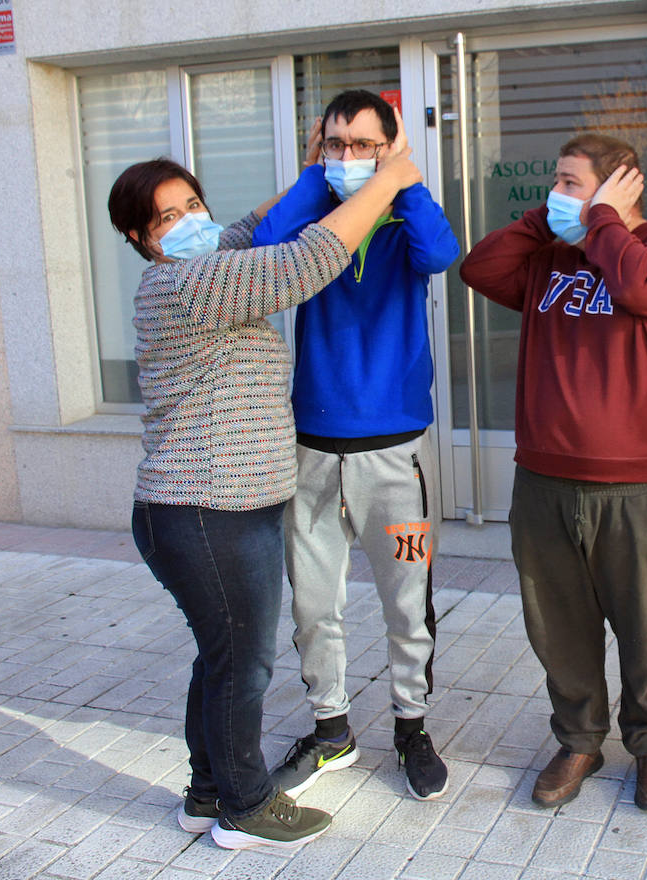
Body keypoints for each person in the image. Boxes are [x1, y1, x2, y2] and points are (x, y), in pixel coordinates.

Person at [112, 144, 423, 849]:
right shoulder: (191, 286)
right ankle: (247, 806)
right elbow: (307, 260)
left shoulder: (196, 266)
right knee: (243, 665)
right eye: (166, 218)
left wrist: (317, 173)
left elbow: (245, 231)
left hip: (201, 512)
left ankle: (205, 793)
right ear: (139, 238)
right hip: (207, 515)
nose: (189, 220)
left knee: (218, 657)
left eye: (192, 203)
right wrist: (390, 180)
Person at [458, 134, 647, 812]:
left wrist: (602, 221)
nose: (557, 194)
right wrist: (549, 219)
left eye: (571, 182)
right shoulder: (548, 259)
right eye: (556, 182)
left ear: (619, 187)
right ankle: (579, 738)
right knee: (557, 624)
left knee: (646, 629)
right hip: (544, 480)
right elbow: (479, 270)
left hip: (641, 485)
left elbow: (646, 290)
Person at [251, 90, 459, 802]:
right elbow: (259, 251)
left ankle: (411, 724)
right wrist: (317, 177)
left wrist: (400, 181)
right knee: (314, 601)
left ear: (391, 149)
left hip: (395, 459)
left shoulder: (406, 225)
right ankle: (330, 727)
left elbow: (443, 252)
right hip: (310, 450)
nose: (348, 158)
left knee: (407, 599)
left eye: (363, 144)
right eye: (336, 144)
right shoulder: (314, 224)